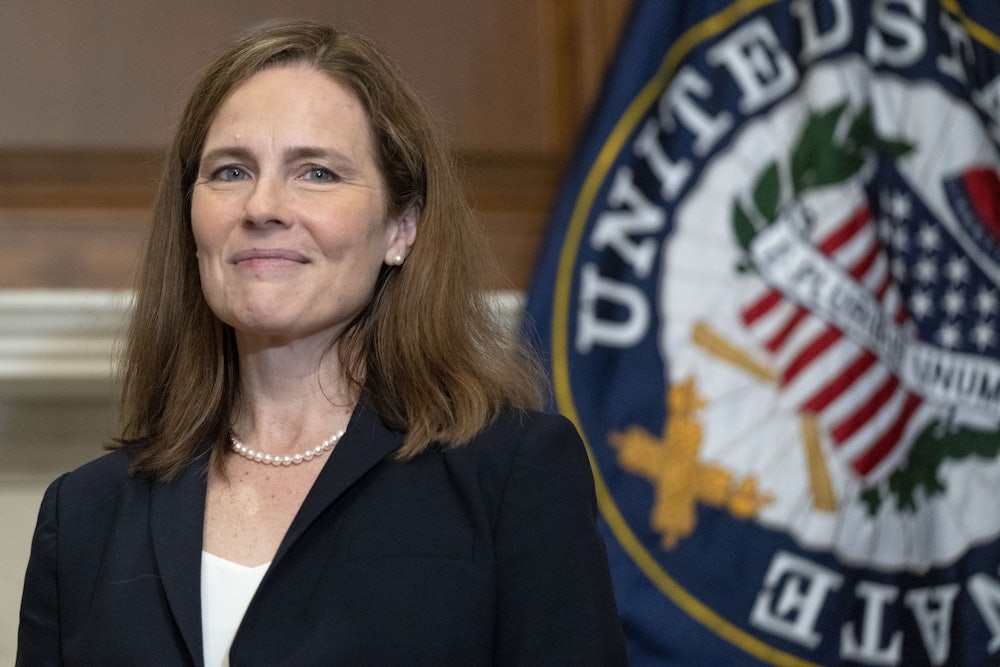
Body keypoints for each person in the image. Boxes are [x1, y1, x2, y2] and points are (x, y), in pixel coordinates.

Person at [16, 19, 627, 666]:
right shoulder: (83, 513)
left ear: (402, 226)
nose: (263, 206)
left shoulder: (512, 476)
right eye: (229, 171)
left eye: (316, 172)